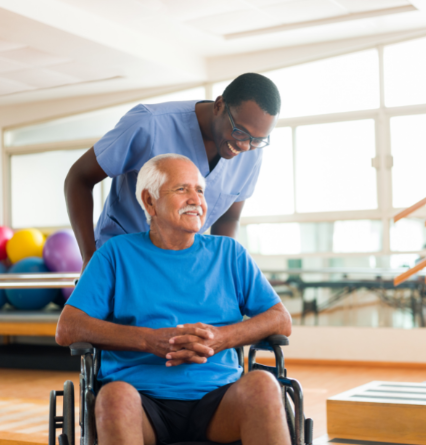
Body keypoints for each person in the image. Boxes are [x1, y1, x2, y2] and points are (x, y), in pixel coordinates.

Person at [56, 154, 292, 445]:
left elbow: (281, 319)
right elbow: (68, 328)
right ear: (150, 201)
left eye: (200, 190)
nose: (196, 199)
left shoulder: (230, 254)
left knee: (263, 386)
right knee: (113, 398)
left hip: (219, 401)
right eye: (182, 189)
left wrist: (223, 337)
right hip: (140, 400)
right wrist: (147, 340)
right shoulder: (115, 254)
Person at [64, 73, 281, 271]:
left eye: (257, 140)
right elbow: (79, 178)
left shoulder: (251, 153)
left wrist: (222, 270)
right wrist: (89, 256)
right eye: (239, 132)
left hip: (179, 270)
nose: (244, 146)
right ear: (219, 105)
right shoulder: (149, 125)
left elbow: (228, 219)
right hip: (120, 264)